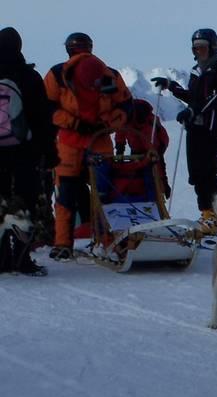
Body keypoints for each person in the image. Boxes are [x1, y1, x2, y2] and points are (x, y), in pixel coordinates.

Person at [45, 39, 129, 261]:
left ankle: (63, 243)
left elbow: (48, 108)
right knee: (106, 194)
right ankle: (111, 241)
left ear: (68, 49)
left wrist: (73, 123)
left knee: (65, 197)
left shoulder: (56, 74)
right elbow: (126, 106)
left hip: (69, 145)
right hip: (99, 143)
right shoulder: (111, 74)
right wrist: (108, 124)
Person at [151, 29, 217, 237]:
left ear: (212, 46)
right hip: (194, 127)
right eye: (195, 48)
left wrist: (193, 110)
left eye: (202, 47)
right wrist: (172, 87)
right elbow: (193, 97)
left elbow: (216, 98)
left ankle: (215, 215)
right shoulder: (197, 70)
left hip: (210, 126)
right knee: (196, 172)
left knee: (207, 170)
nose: (198, 51)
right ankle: (206, 213)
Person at [0, 26, 54, 273]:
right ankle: (22, 259)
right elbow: (43, 118)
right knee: (26, 204)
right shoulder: (30, 77)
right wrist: (49, 152)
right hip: (26, 150)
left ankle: (1, 261)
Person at [113, 98, 171, 198]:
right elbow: (120, 132)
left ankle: (152, 197)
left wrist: (164, 181)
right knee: (135, 171)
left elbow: (156, 155)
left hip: (156, 144)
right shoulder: (123, 115)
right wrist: (119, 150)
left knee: (148, 170)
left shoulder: (146, 126)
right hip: (136, 145)